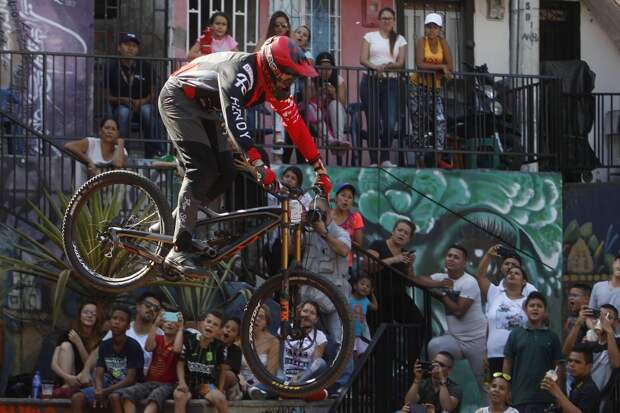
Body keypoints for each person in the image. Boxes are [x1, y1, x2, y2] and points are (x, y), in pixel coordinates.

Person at [158, 35, 332, 276]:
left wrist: (320, 169)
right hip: (179, 98)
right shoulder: (243, 71)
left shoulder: (274, 85)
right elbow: (235, 122)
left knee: (226, 172)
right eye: (288, 74)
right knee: (203, 169)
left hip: (205, 108)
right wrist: (259, 165)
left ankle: (172, 225)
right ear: (273, 68)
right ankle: (179, 249)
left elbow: (297, 127)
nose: (291, 81)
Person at [416, 245, 487, 396]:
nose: (451, 259)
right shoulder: (441, 278)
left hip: (477, 340)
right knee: (434, 345)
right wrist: (440, 284)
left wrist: (441, 294)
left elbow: (459, 311)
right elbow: (419, 280)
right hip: (455, 339)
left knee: (483, 382)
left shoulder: (469, 282)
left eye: (456, 257)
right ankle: (440, 392)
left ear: (464, 263)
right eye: (449, 255)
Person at [249, 301, 329, 401]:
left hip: (304, 379)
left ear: (316, 319)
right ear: (300, 313)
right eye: (305, 311)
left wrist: (300, 379)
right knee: (254, 389)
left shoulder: (320, 336)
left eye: (312, 313)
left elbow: (315, 363)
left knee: (321, 363)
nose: (308, 315)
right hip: (283, 377)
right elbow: (277, 355)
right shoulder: (285, 328)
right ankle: (293, 392)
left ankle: (287, 391)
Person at [71, 305, 143, 413]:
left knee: (114, 397)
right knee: (77, 398)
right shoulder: (105, 345)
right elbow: (99, 371)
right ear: (109, 322)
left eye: (121, 320)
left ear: (128, 326)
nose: (117, 322)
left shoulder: (133, 346)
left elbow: (130, 380)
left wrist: (105, 392)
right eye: (114, 318)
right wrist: (99, 390)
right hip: (108, 385)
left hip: (128, 388)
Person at [359, 6, 407, 167]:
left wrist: (386, 67)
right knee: (372, 120)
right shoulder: (370, 36)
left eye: (389, 18)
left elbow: (400, 63)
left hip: (391, 82)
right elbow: (363, 59)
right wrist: (376, 67)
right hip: (370, 81)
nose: (386, 21)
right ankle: (373, 160)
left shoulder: (400, 39)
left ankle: (385, 158)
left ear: (393, 21)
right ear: (379, 20)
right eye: (384, 18)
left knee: (390, 120)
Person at [299, 196, 351, 341]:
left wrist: (324, 233)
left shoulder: (340, 232)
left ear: (327, 213)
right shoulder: (308, 232)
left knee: (339, 341)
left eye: (317, 211)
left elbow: (344, 250)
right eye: (310, 212)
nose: (313, 214)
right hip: (310, 298)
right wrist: (299, 228)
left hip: (334, 299)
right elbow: (291, 250)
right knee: (308, 341)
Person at [503, 291, 563, 413]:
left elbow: (559, 366)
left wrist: (559, 393)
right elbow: (507, 362)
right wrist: (507, 387)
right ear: (525, 309)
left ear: (545, 310)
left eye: (539, 306)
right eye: (532, 305)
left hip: (546, 397)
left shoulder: (552, 336)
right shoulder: (515, 334)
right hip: (520, 396)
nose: (535, 309)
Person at [408, 12, 453, 167]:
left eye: (435, 27)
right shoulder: (422, 41)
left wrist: (441, 69)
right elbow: (420, 64)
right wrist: (440, 67)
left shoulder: (443, 43)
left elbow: (451, 66)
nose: (431, 30)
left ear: (440, 29)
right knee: (418, 121)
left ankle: (438, 157)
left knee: (440, 121)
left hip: (435, 88)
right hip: (417, 86)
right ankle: (420, 160)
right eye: (429, 27)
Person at [106, 33, 160, 158]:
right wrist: (121, 100)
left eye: (134, 46)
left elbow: (153, 93)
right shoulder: (112, 67)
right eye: (127, 45)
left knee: (147, 111)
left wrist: (142, 101)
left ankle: (154, 154)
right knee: (123, 113)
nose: (130, 48)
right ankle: (123, 153)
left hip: (143, 104)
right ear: (119, 48)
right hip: (121, 105)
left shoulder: (145, 66)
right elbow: (106, 96)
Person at [119, 309, 184, 413]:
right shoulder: (158, 338)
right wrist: (155, 324)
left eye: (174, 322)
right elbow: (148, 347)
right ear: (162, 324)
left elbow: (177, 350)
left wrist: (181, 328)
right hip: (149, 381)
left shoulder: (179, 341)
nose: (170, 324)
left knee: (155, 397)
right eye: (167, 321)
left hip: (167, 384)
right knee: (127, 393)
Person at [475, 264, 529, 376]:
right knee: (496, 391)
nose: (512, 274)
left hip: (520, 355)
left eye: (516, 273)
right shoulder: (495, 294)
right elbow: (480, 276)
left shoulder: (529, 302)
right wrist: (489, 255)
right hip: (494, 353)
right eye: (509, 273)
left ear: (524, 282)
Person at [563, 303, 620, 409]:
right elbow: (566, 353)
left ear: (616, 323)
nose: (603, 320)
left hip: (607, 401)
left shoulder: (617, 341)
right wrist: (578, 323)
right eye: (600, 316)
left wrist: (609, 332)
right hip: (584, 396)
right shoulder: (589, 342)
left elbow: (616, 363)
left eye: (609, 317)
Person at [367, 219, 422, 325]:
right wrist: (394, 259)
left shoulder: (405, 254)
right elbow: (369, 266)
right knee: (383, 332)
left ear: (409, 239)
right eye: (400, 230)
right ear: (393, 231)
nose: (402, 234)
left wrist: (410, 265)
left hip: (398, 297)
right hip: (377, 295)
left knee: (419, 323)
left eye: (406, 233)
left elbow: (410, 283)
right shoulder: (378, 244)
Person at [174, 310, 229, 413]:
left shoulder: (220, 347)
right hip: (187, 383)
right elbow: (180, 364)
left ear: (219, 330)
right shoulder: (189, 340)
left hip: (206, 385)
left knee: (220, 398)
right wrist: (181, 382)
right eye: (208, 322)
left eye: (215, 324)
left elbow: (223, 370)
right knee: (179, 395)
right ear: (202, 323)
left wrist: (221, 389)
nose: (211, 325)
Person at [51, 302, 104, 397]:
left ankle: (70, 388)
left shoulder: (99, 340)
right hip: (67, 377)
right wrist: (69, 378)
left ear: (97, 318)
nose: (89, 315)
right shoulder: (69, 334)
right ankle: (66, 386)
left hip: (84, 379)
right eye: (86, 312)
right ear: (79, 315)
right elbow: (53, 364)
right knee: (66, 346)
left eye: (93, 314)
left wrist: (79, 344)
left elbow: (90, 366)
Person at [308, 52, 351, 157]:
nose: (325, 72)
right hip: (318, 119)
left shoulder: (339, 80)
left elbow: (343, 104)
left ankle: (339, 141)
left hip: (338, 117)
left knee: (334, 104)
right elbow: (307, 100)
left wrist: (334, 94)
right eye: (322, 68)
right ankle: (331, 141)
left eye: (328, 69)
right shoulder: (311, 80)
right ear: (317, 69)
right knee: (310, 108)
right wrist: (319, 92)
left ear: (333, 69)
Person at [541, 345, 600, 413]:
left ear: (589, 367)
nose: (571, 364)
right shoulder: (577, 384)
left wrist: (557, 392)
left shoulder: (589, 389)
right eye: (570, 360)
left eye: (577, 362)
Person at [238, 305, 279, 395]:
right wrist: (240, 379)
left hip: (262, 386)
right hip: (241, 385)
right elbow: (233, 367)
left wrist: (254, 386)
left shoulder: (273, 342)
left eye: (261, 317)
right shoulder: (240, 340)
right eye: (254, 315)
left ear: (266, 322)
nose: (257, 319)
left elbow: (271, 374)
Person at [331, 182, 364, 267]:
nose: (346, 199)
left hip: (345, 264)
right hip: (325, 260)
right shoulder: (327, 216)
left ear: (352, 202)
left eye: (350, 197)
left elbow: (359, 246)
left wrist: (343, 240)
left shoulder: (356, 217)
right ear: (335, 198)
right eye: (343, 195)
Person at [349, 274, 378, 356]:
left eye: (368, 286)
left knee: (361, 355)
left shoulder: (366, 301)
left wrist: (372, 294)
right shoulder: (349, 298)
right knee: (351, 354)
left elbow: (375, 307)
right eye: (362, 284)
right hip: (350, 331)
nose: (365, 287)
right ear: (354, 286)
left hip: (361, 333)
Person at [218, 317, 243, 401]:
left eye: (233, 330)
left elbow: (227, 368)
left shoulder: (236, 350)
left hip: (230, 386)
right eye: (226, 327)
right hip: (212, 378)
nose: (228, 330)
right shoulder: (213, 345)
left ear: (237, 338)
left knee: (228, 374)